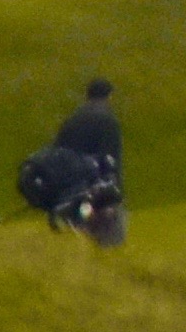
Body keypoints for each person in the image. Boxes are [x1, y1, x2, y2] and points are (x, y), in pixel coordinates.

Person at [44, 77, 127, 248]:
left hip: (71, 186)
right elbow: (110, 158)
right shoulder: (108, 120)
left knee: (78, 231)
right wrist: (115, 190)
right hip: (95, 185)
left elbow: (58, 150)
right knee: (109, 237)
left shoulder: (73, 118)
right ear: (109, 96)